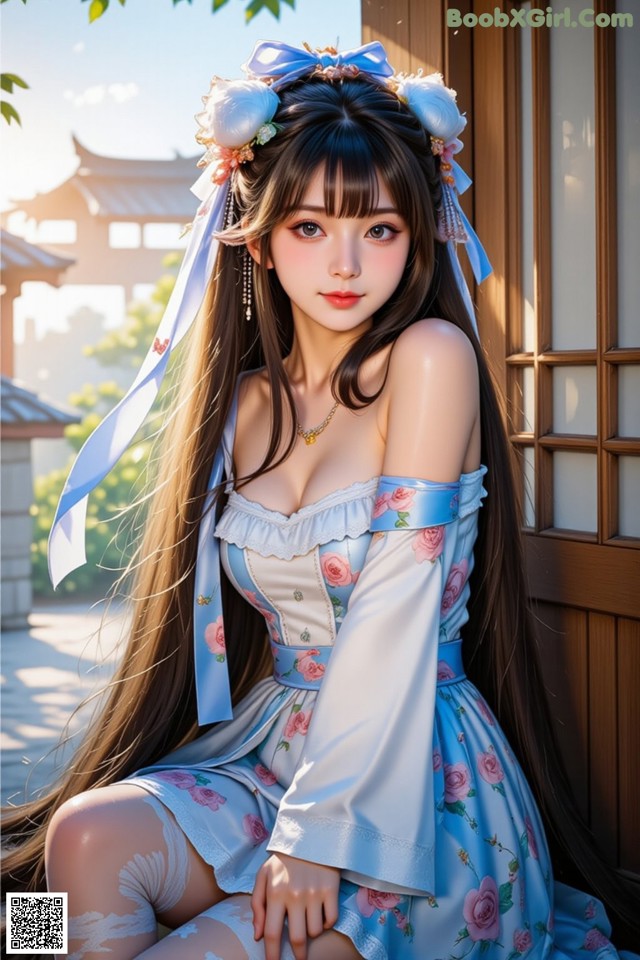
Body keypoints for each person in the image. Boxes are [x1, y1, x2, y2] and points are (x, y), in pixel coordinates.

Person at [2, 39, 638, 960]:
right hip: (268, 751)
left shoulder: (430, 359)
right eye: (309, 228)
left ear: (419, 237)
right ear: (257, 236)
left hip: (411, 781)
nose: (346, 264)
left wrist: (312, 839)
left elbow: (393, 610)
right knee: (78, 839)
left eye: (379, 229)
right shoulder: (244, 403)